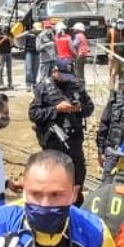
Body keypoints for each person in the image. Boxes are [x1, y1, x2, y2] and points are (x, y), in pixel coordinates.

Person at [28, 59, 94, 206]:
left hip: (75, 140)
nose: (67, 79)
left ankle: (76, 206)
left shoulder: (77, 86)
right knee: (54, 176)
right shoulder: (43, 88)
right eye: (64, 75)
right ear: (55, 72)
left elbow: (90, 108)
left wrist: (79, 108)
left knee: (77, 175)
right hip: (53, 142)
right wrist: (56, 110)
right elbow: (34, 114)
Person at [108, 18, 124, 87]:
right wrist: (108, 54)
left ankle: (121, 89)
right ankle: (112, 89)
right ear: (116, 24)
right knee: (113, 74)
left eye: (122, 23)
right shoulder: (111, 32)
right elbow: (106, 44)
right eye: (119, 23)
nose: (120, 25)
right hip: (114, 57)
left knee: (123, 74)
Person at [18, 22, 42, 88]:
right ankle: (28, 83)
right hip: (29, 52)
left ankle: (34, 82)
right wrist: (21, 46)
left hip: (37, 53)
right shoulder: (28, 33)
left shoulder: (41, 33)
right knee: (29, 68)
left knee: (35, 69)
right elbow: (18, 37)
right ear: (34, 28)